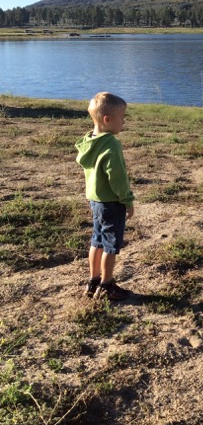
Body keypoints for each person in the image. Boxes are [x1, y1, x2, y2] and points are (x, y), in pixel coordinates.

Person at [75, 92, 135, 301]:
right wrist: (127, 200)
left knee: (97, 241)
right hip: (111, 202)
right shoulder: (111, 144)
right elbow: (117, 178)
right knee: (110, 245)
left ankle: (93, 281)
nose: (124, 121)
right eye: (122, 117)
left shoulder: (89, 141)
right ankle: (107, 285)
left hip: (95, 201)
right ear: (107, 119)